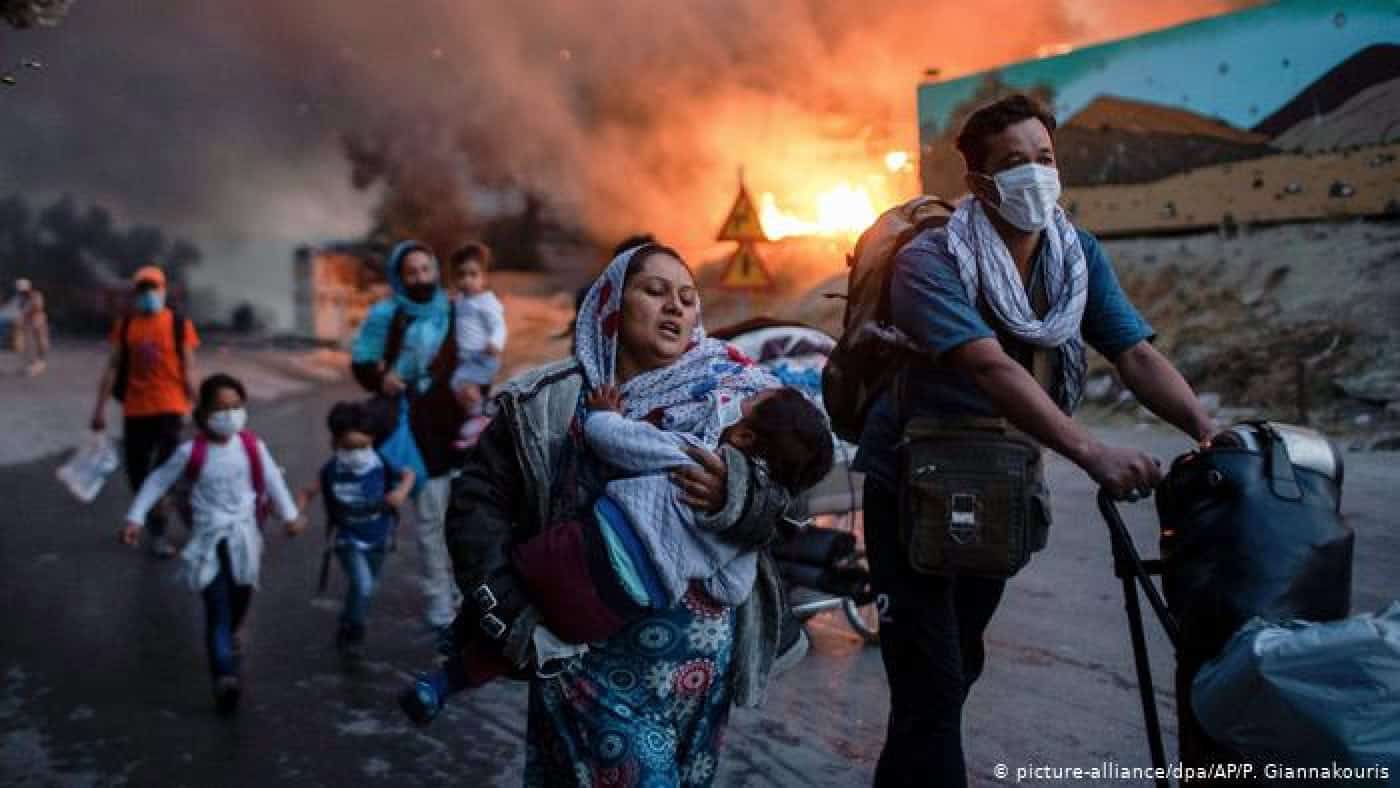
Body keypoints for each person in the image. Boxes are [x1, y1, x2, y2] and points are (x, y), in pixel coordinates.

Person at [850, 94, 1216, 787]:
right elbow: (987, 364)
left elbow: (1132, 353)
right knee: (931, 683)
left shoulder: (1074, 255)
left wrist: (1205, 426)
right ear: (980, 184)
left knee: (953, 672)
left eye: (1044, 159)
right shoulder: (930, 260)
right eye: (1014, 163)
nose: (1035, 175)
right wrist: (1094, 452)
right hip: (911, 490)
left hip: (1000, 489)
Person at [443, 243, 803, 786]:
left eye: (686, 297)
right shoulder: (548, 402)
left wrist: (742, 497)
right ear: (610, 302)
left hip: (701, 678)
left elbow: (791, 503)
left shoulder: (738, 391)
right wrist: (518, 621)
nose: (675, 308)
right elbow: (476, 510)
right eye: (655, 292)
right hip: (587, 665)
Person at [399, 382, 833, 725]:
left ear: (742, 434)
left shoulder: (692, 456)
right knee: (539, 642)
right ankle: (443, 683)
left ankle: (449, 660)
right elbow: (732, 589)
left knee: (512, 588)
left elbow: (609, 438)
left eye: (748, 401)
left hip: (577, 550)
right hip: (615, 607)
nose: (737, 399)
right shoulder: (745, 535)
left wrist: (608, 413)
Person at [119, 373, 300, 714]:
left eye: (236, 407)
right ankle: (224, 676)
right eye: (221, 408)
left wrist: (289, 514)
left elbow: (274, 481)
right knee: (217, 606)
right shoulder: (191, 453)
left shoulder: (251, 446)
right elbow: (158, 480)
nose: (230, 415)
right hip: (208, 542)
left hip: (246, 539)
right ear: (203, 413)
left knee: (242, 595)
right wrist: (135, 517)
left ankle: (230, 637)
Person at [349, 241, 466, 634]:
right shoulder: (389, 315)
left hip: (458, 427)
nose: (420, 278)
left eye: (425, 269)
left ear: (436, 270)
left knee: (464, 521)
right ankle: (439, 603)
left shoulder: (455, 309)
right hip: (414, 427)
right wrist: (382, 378)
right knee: (432, 521)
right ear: (399, 277)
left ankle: (467, 597)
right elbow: (362, 360)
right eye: (411, 272)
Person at [92, 266, 200, 558]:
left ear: (163, 290)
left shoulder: (178, 324)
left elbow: (189, 369)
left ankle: (168, 530)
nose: (148, 294)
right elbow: (113, 367)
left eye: (153, 288)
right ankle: (161, 523)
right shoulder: (126, 325)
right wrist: (99, 409)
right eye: (142, 289)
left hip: (170, 407)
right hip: (135, 409)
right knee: (138, 476)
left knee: (164, 472)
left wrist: (202, 406)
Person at [294, 401, 415, 652]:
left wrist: (401, 492)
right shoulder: (330, 471)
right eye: (350, 447)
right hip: (346, 538)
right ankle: (355, 631)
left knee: (365, 586)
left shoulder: (379, 462)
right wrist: (297, 514)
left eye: (364, 446)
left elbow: (408, 475)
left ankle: (348, 622)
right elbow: (307, 492)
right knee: (364, 585)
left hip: (379, 538)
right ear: (336, 443)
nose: (358, 453)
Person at [447, 242, 507, 447]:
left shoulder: (486, 301)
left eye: (473, 275)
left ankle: (482, 419)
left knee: (460, 385)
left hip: (483, 356)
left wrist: (495, 342)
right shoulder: (462, 300)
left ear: (484, 277)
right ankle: (478, 420)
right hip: (469, 359)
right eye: (461, 275)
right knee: (459, 386)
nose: (466, 280)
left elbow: (499, 325)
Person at [14, 278, 49, 376]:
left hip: (38, 322)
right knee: (28, 345)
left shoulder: (36, 296)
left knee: (40, 343)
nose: (22, 292)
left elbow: (37, 307)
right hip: (28, 324)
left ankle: (40, 363)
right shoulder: (21, 298)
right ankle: (31, 364)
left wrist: (26, 311)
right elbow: (21, 310)